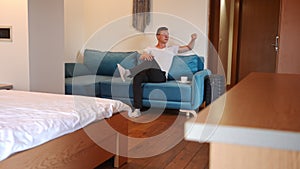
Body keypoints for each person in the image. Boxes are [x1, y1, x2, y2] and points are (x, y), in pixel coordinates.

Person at [117, 27, 197, 118]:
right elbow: (142, 56)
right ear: (158, 36)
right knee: (137, 78)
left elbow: (189, 47)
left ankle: (128, 72)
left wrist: (193, 39)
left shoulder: (172, 49)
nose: (167, 36)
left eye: (168, 34)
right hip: (149, 73)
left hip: (161, 76)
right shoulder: (150, 48)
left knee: (150, 61)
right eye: (164, 34)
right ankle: (137, 109)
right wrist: (145, 55)